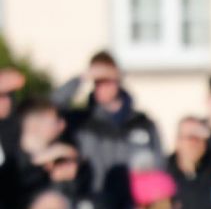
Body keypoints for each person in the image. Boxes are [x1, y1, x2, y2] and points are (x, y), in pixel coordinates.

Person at [51, 51, 164, 194]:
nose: (102, 87)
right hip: (94, 202)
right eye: (97, 82)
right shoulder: (82, 122)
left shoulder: (142, 123)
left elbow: (160, 168)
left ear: (117, 79)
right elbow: (52, 107)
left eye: (107, 80)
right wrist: (80, 78)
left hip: (135, 204)